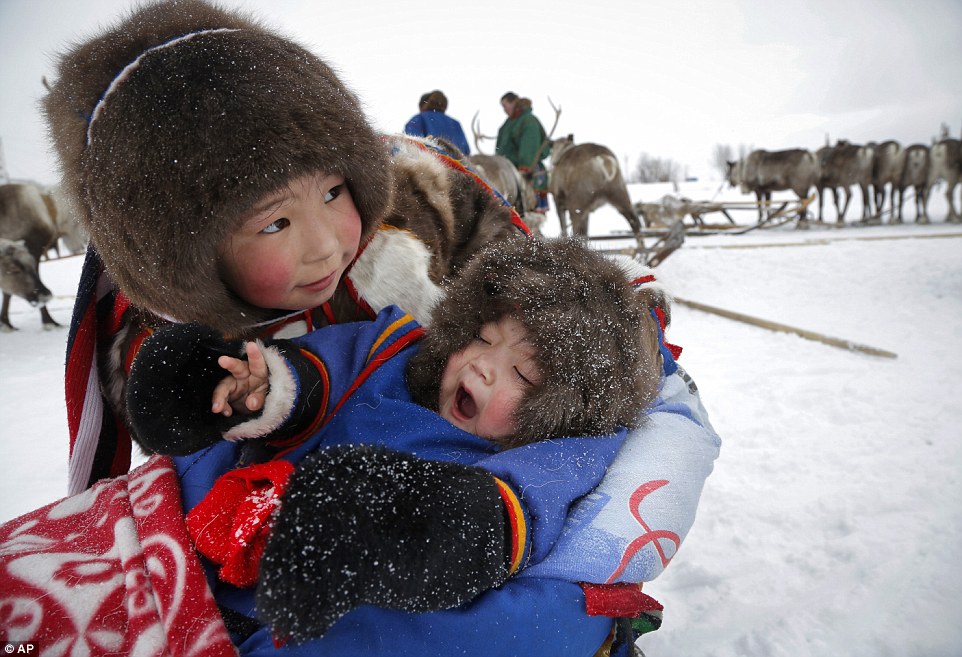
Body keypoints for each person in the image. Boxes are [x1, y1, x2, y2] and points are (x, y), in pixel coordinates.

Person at [4, 0, 720, 653]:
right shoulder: (391, 350)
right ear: (186, 253)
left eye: (336, 193)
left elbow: (520, 289)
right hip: (208, 540)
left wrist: (425, 522)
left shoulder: (419, 231)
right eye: (275, 222)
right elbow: (336, 366)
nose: (324, 245)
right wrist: (242, 389)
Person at [124, 236, 665, 643]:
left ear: (564, 410)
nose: (480, 365)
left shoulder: (553, 454)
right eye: (480, 337)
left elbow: (504, 520)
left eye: (523, 375)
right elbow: (329, 370)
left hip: (317, 613)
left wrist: (389, 518)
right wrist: (255, 390)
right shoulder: (399, 359)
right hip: (192, 541)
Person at [496, 92, 552, 213]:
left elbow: (529, 147)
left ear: (514, 103)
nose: (504, 110)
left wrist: (525, 168)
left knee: (529, 213)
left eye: (505, 106)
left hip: (527, 174)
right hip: (509, 170)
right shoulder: (509, 123)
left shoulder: (528, 121)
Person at [403, 89, 472, 155]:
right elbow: (466, 150)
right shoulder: (456, 123)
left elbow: (412, 142)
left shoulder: (419, 118)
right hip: (458, 165)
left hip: (432, 162)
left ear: (422, 105)